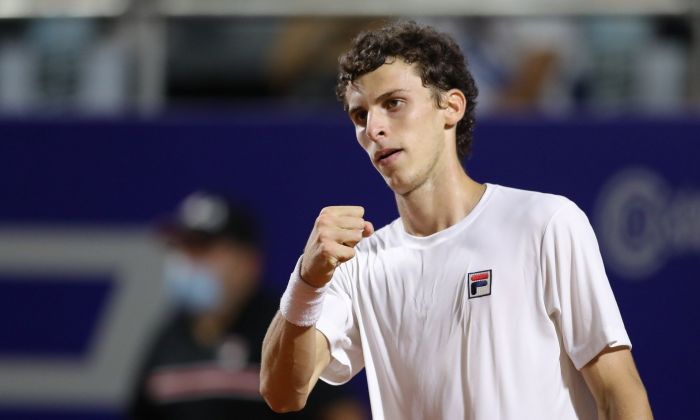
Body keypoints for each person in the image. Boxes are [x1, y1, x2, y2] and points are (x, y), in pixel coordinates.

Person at [260, 21, 653, 420]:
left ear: (451, 107)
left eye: (393, 103)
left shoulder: (545, 223)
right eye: (360, 115)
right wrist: (307, 281)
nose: (374, 128)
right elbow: (282, 393)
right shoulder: (356, 267)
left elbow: (617, 392)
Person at [128, 191, 365, 420]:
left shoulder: (287, 328)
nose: (187, 261)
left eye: (202, 249)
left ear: (247, 262)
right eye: (182, 248)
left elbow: (341, 414)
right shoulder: (166, 338)